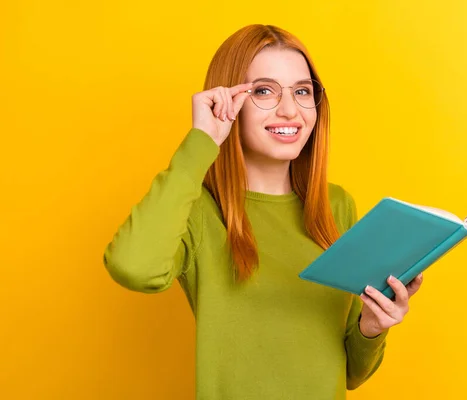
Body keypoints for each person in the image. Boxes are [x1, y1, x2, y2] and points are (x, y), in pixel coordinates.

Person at [103, 24, 424, 400]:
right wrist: (202, 142)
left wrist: (373, 326)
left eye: (302, 91)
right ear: (229, 100)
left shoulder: (337, 206)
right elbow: (133, 267)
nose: (290, 110)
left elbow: (350, 373)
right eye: (264, 91)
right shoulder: (198, 209)